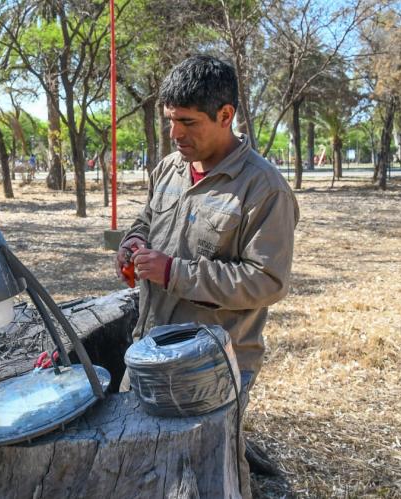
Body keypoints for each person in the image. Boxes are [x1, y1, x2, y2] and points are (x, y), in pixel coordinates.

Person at [114, 55, 299, 498]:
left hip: (212, 369)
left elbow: (267, 281)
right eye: (170, 121)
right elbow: (145, 221)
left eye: (187, 122)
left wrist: (175, 272)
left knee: (203, 479)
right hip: (149, 345)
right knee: (127, 462)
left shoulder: (264, 188)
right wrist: (133, 245)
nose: (175, 133)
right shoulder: (169, 168)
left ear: (225, 115)